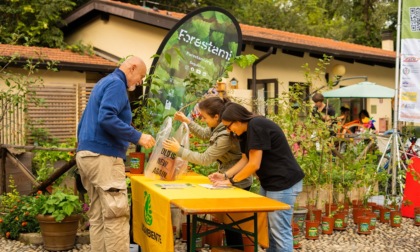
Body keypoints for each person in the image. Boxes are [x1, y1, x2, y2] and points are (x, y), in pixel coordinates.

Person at [75, 56, 156, 252]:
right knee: (116, 216)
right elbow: (107, 118)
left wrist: (127, 129)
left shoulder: (104, 82)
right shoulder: (117, 84)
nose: (140, 82)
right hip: (104, 158)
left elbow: (95, 119)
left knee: (99, 217)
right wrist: (137, 136)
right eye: (141, 76)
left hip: (87, 156)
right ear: (132, 68)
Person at [209, 102, 305, 252]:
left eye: (229, 126)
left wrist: (231, 181)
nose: (228, 130)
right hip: (270, 183)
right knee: (269, 231)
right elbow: (245, 159)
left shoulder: (256, 125)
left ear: (238, 120)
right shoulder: (243, 133)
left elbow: (254, 165)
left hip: (284, 183)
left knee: (280, 232)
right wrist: (224, 175)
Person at [163, 96, 253, 250]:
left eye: (204, 117)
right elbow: (205, 133)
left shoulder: (225, 135)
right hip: (226, 178)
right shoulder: (218, 127)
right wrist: (187, 121)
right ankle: (233, 249)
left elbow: (205, 159)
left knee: (232, 226)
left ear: (217, 117)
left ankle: (236, 249)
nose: (203, 120)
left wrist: (179, 150)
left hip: (237, 182)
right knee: (229, 225)